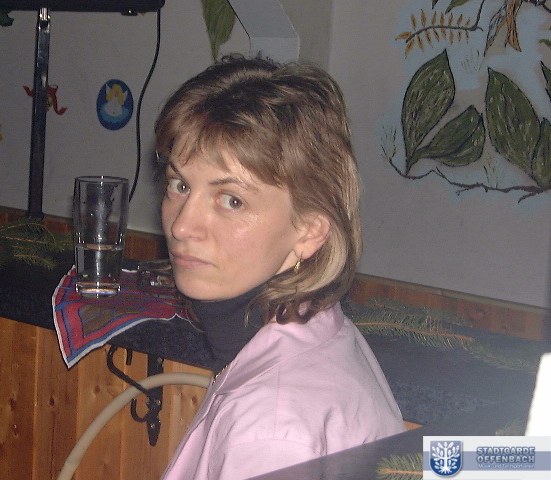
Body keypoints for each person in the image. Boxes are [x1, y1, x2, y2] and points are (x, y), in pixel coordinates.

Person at [154, 55, 405, 480]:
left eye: (232, 200)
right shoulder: (317, 330)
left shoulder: (271, 432)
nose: (181, 225)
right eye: (180, 185)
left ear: (309, 231)